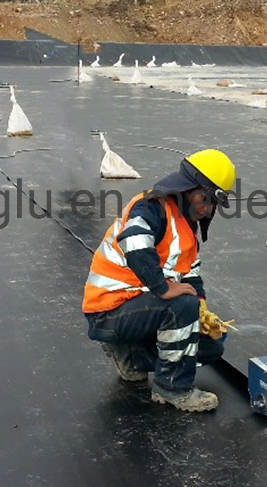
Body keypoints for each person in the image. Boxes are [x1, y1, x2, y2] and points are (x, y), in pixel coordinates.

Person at [83, 149, 236, 412]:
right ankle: (172, 388)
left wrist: (202, 311)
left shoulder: (186, 227)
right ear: (193, 189)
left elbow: (191, 276)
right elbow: (133, 242)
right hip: (109, 310)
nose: (210, 209)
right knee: (182, 305)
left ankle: (130, 356)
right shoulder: (151, 207)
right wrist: (163, 288)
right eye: (209, 201)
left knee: (212, 346)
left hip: (139, 310)